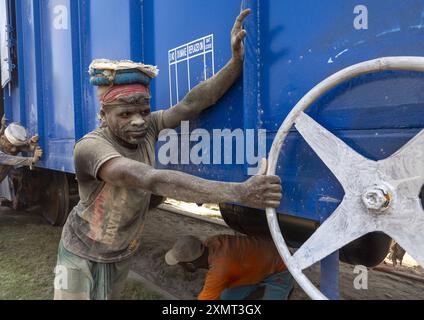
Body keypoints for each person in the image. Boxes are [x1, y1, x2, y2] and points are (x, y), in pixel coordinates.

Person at [54, 8, 282, 300]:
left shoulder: (149, 127)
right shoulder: (90, 148)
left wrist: (236, 63)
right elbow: (150, 179)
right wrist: (239, 192)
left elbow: (191, 104)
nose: (138, 121)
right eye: (125, 114)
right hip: (80, 251)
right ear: (103, 114)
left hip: (121, 253)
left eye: (144, 111)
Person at [165, 234, 294, 300]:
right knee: (227, 298)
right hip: (257, 265)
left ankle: (281, 288)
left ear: (191, 264)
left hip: (282, 265)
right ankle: (261, 288)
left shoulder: (219, 271)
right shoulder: (213, 241)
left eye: (182, 264)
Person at [0, 116, 43, 203]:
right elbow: (12, 159)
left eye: (14, 146)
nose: (13, 149)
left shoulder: (8, 145)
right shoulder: (3, 154)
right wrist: (32, 160)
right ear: (2, 139)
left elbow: (23, 147)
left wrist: (31, 142)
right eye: (11, 146)